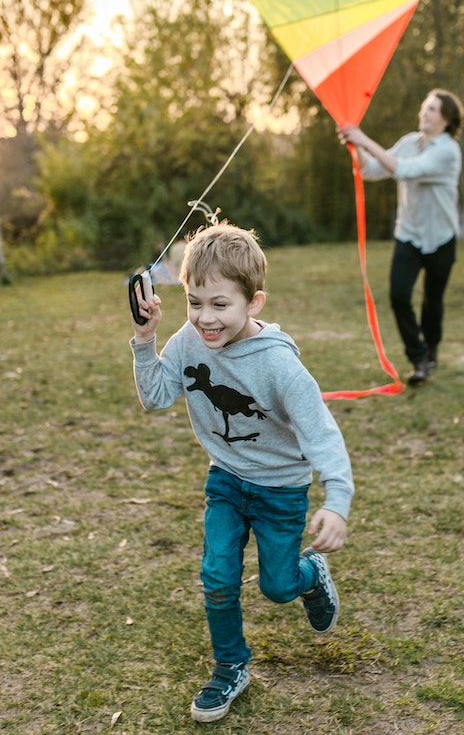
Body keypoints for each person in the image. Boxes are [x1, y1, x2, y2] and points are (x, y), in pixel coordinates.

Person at [129, 221, 354, 723]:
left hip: (281, 490)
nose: (205, 318)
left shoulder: (280, 366)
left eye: (219, 304)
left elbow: (322, 434)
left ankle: (310, 575)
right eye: (194, 302)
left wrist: (337, 501)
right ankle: (230, 665)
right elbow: (156, 397)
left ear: (254, 302)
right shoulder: (189, 340)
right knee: (217, 577)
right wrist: (146, 340)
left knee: (278, 587)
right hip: (227, 481)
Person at [337, 89, 464, 385]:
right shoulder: (409, 142)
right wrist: (355, 147)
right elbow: (372, 171)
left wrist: (362, 138)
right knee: (398, 295)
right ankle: (418, 358)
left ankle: (431, 349)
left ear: (446, 119)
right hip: (408, 233)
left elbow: (404, 171)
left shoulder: (448, 151)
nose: (424, 113)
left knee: (433, 302)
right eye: (424, 106)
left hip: (441, 237)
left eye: (432, 109)